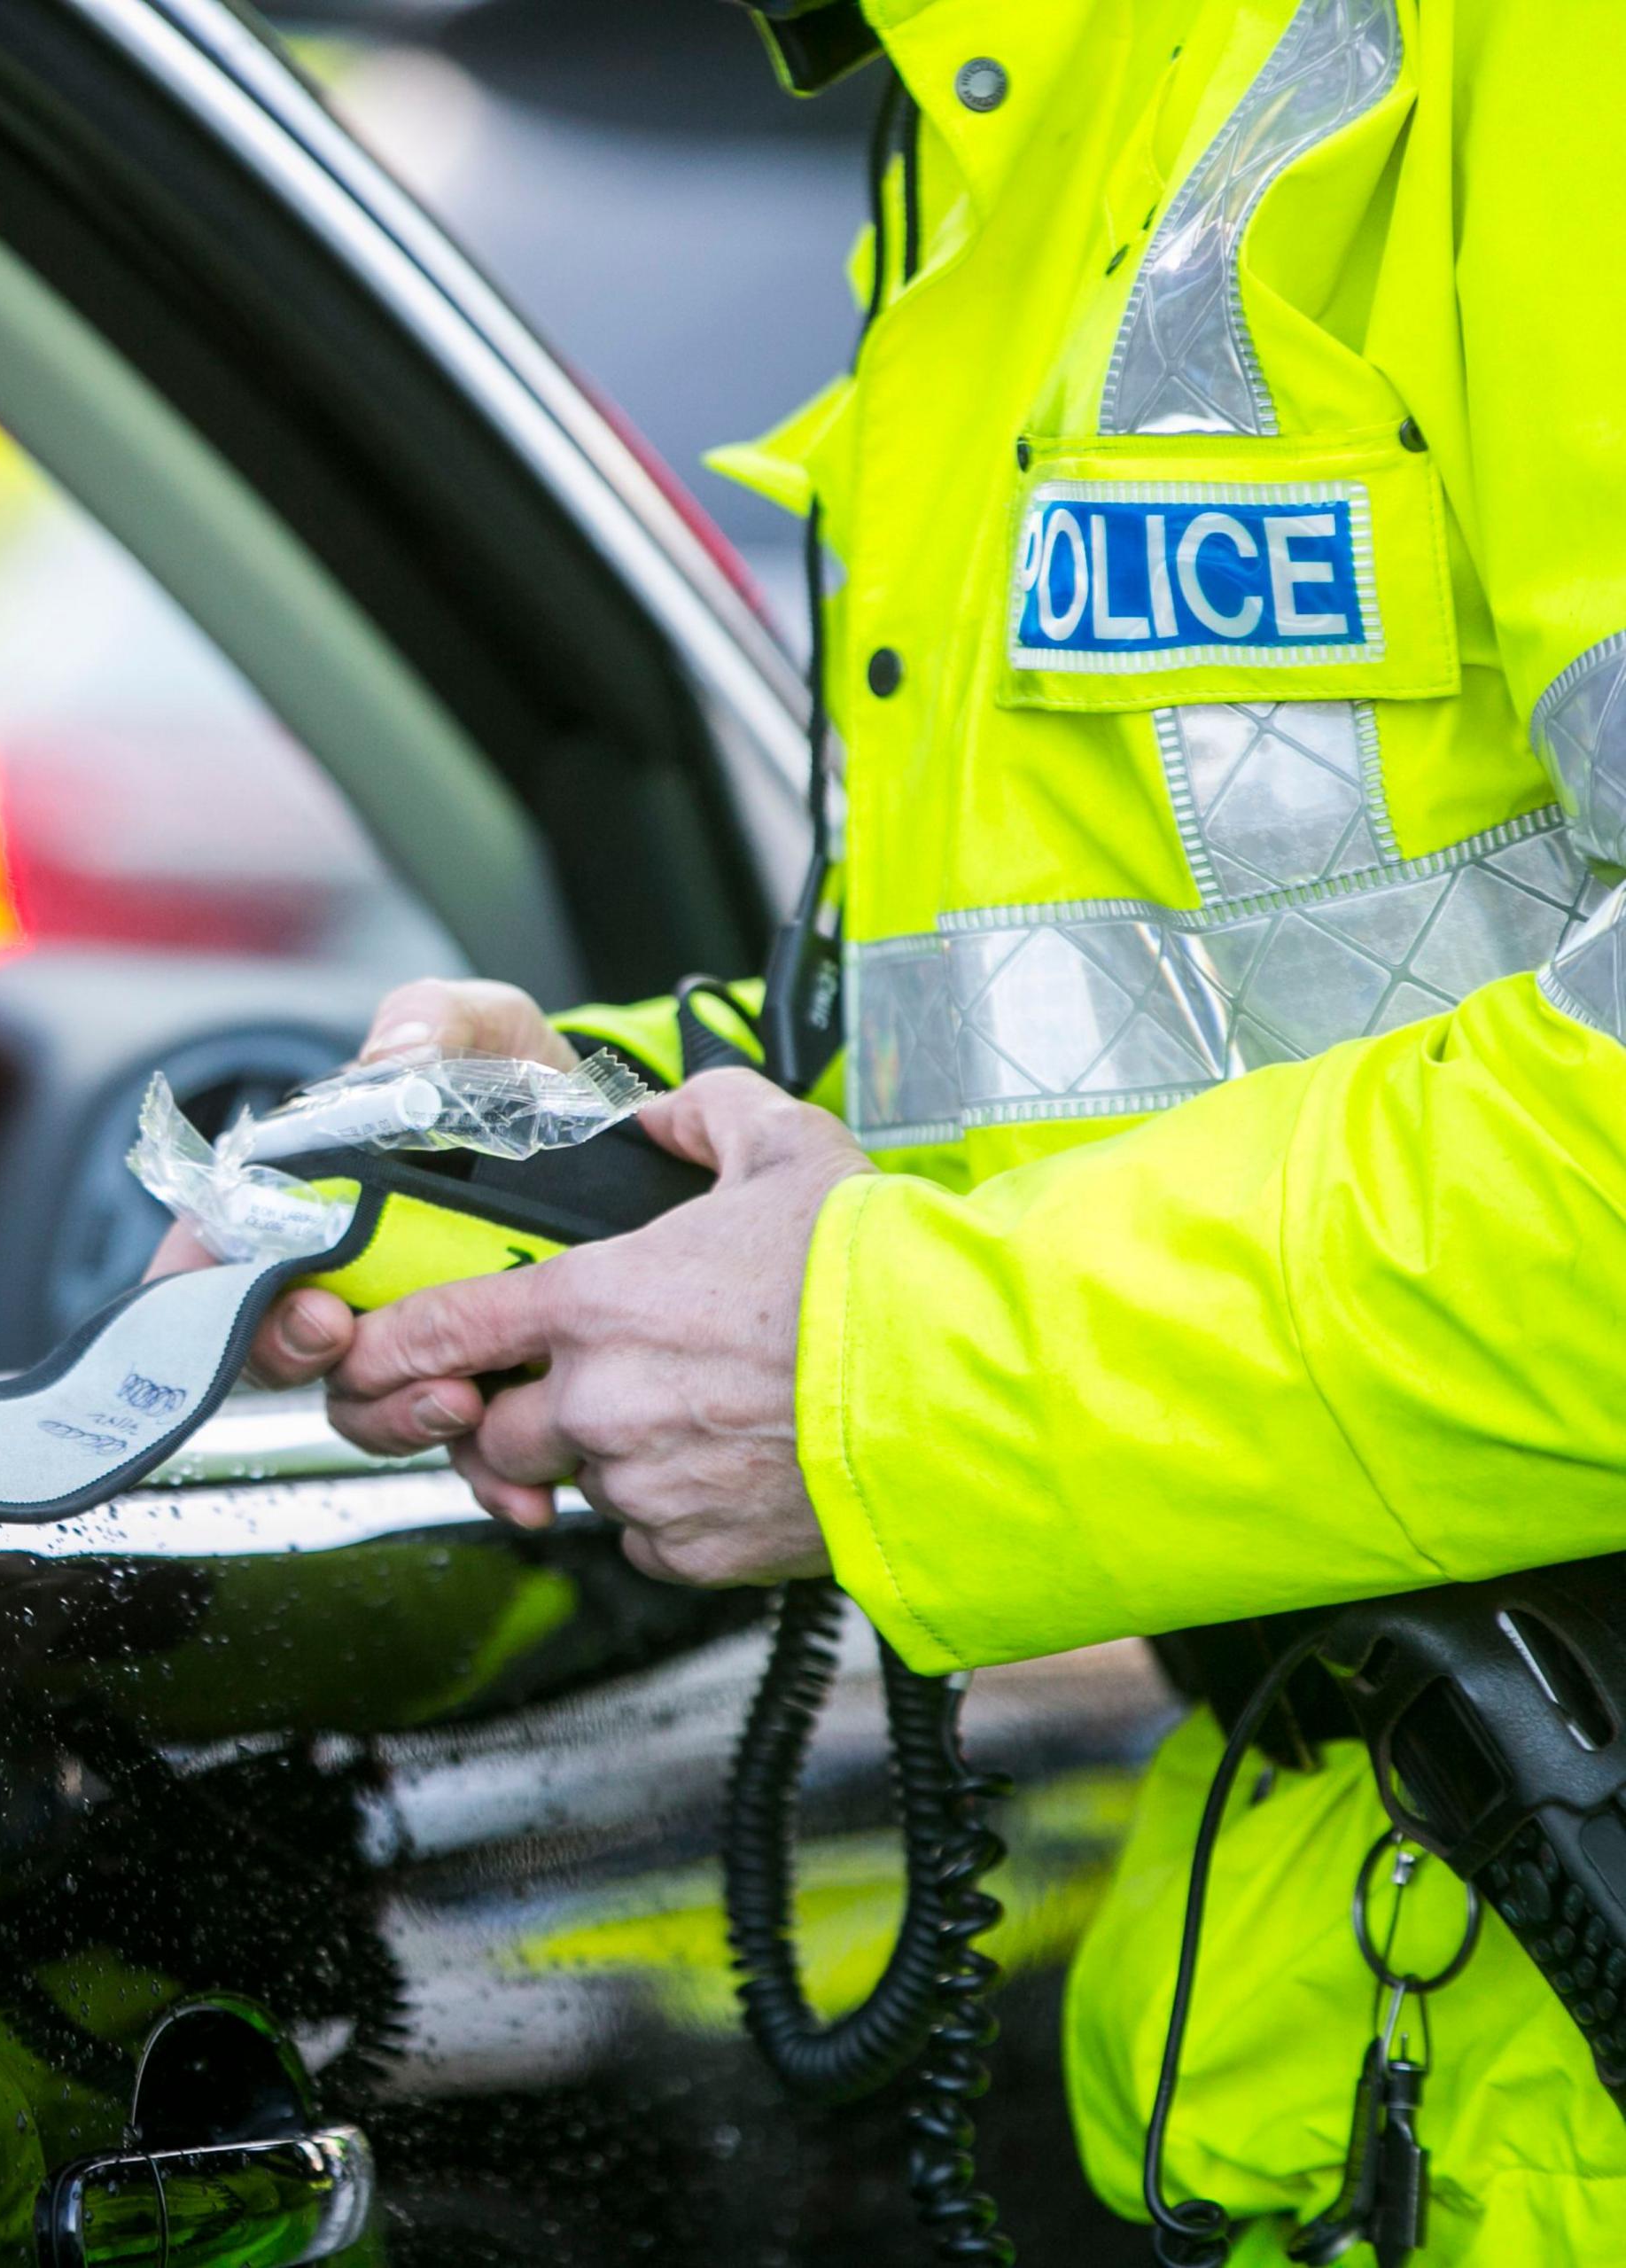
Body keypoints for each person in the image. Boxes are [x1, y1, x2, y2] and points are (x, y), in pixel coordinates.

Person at [222, 1, 1626, 2252]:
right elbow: (1138, 1050)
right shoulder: (1032, 110)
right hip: (1406, 1994)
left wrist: (881, 1368)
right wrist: (590, 1164)